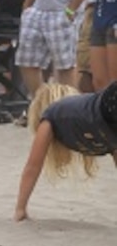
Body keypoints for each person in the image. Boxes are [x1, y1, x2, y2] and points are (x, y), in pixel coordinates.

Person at [13, 82, 117, 221]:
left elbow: (32, 166)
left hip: (108, 104)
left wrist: (20, 208)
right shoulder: (77, 117)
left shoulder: (51, 116)